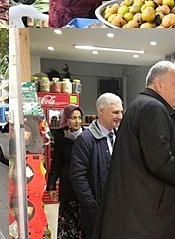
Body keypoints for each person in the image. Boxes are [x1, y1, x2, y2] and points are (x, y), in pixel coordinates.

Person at [96, 61, 175, 238]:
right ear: (159, 84)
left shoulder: (142, 105)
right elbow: (160, 162)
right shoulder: (153, 108)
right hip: (148, 219)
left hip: (138, 214)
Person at [69, 93, 123, 239]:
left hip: (117, 212)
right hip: (96, 216)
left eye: (121, 112)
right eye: (115, 112)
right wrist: (93, 206)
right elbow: (78, 177)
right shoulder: (85, 140)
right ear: (101, 111)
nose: (120, 116)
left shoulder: (120, 137)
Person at [47, 104, 85, 239]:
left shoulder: (86, 136)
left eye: (79, 118)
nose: (77, 121)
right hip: (67, 184)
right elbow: (56, 162)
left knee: (83, 221)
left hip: (83, 185)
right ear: (67, 119)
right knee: (67, 219)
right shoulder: (61, 136)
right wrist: (51, 186)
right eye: (73, 118)